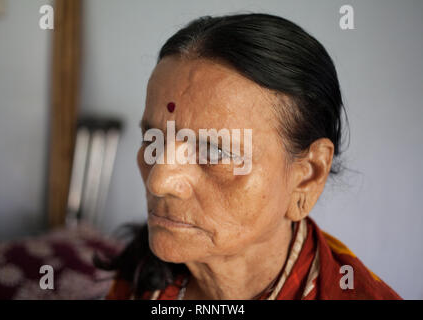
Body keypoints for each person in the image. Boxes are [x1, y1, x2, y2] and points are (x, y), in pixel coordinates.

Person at [100, 13, 401, 300]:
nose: (159, 180)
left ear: (308, 175)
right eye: (153, 140)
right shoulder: (139, 274)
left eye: (214, 151)